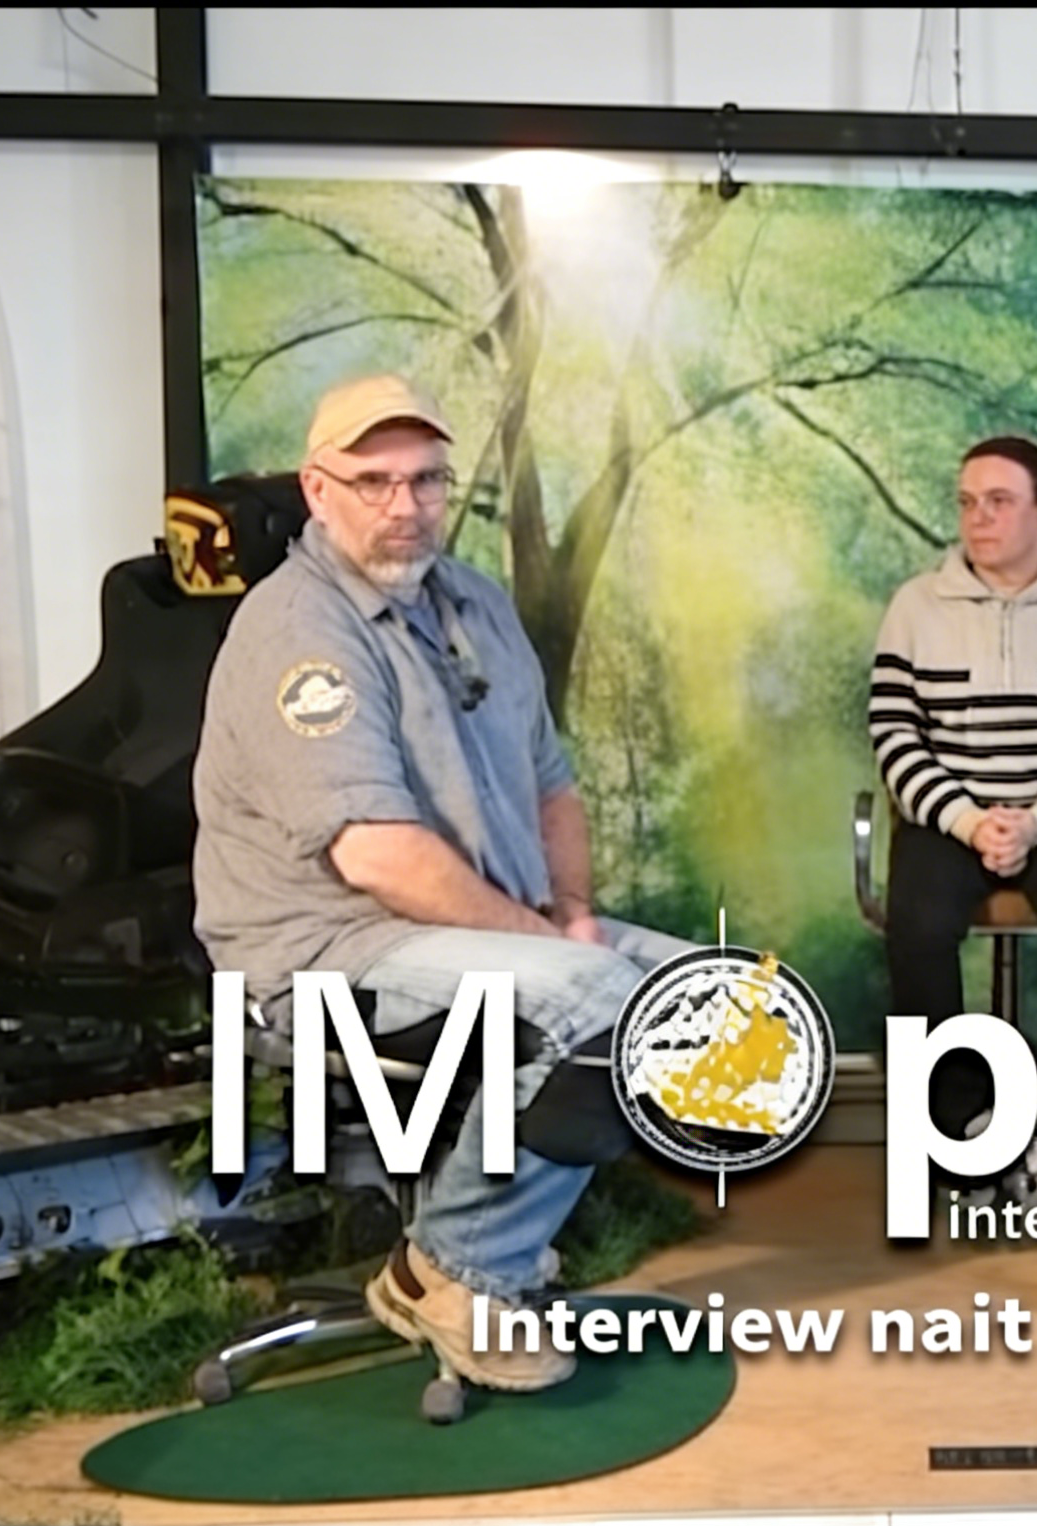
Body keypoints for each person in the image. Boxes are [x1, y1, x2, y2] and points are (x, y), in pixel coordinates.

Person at [193, 373, 701, 1391]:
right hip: (326, 952)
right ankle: (459, 1271)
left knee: (714, 1006)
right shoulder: (298, 632)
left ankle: (472, 1245)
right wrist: (552, 950)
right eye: (374, 481)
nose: (406, 505)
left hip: (484, 928)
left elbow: (554, 785)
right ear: (317, 489)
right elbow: (375, 855)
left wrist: (572, 913)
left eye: (426, 479)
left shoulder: (477, 601)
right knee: (599, 1010)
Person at [868, 436, 1037, 1206]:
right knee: (918, 929)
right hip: (945, 817)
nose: (978, 518)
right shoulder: (915, 607)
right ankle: (962, 1127)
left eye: (999, 501)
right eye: (967, 502)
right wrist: (966, 821)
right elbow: (894, 735)